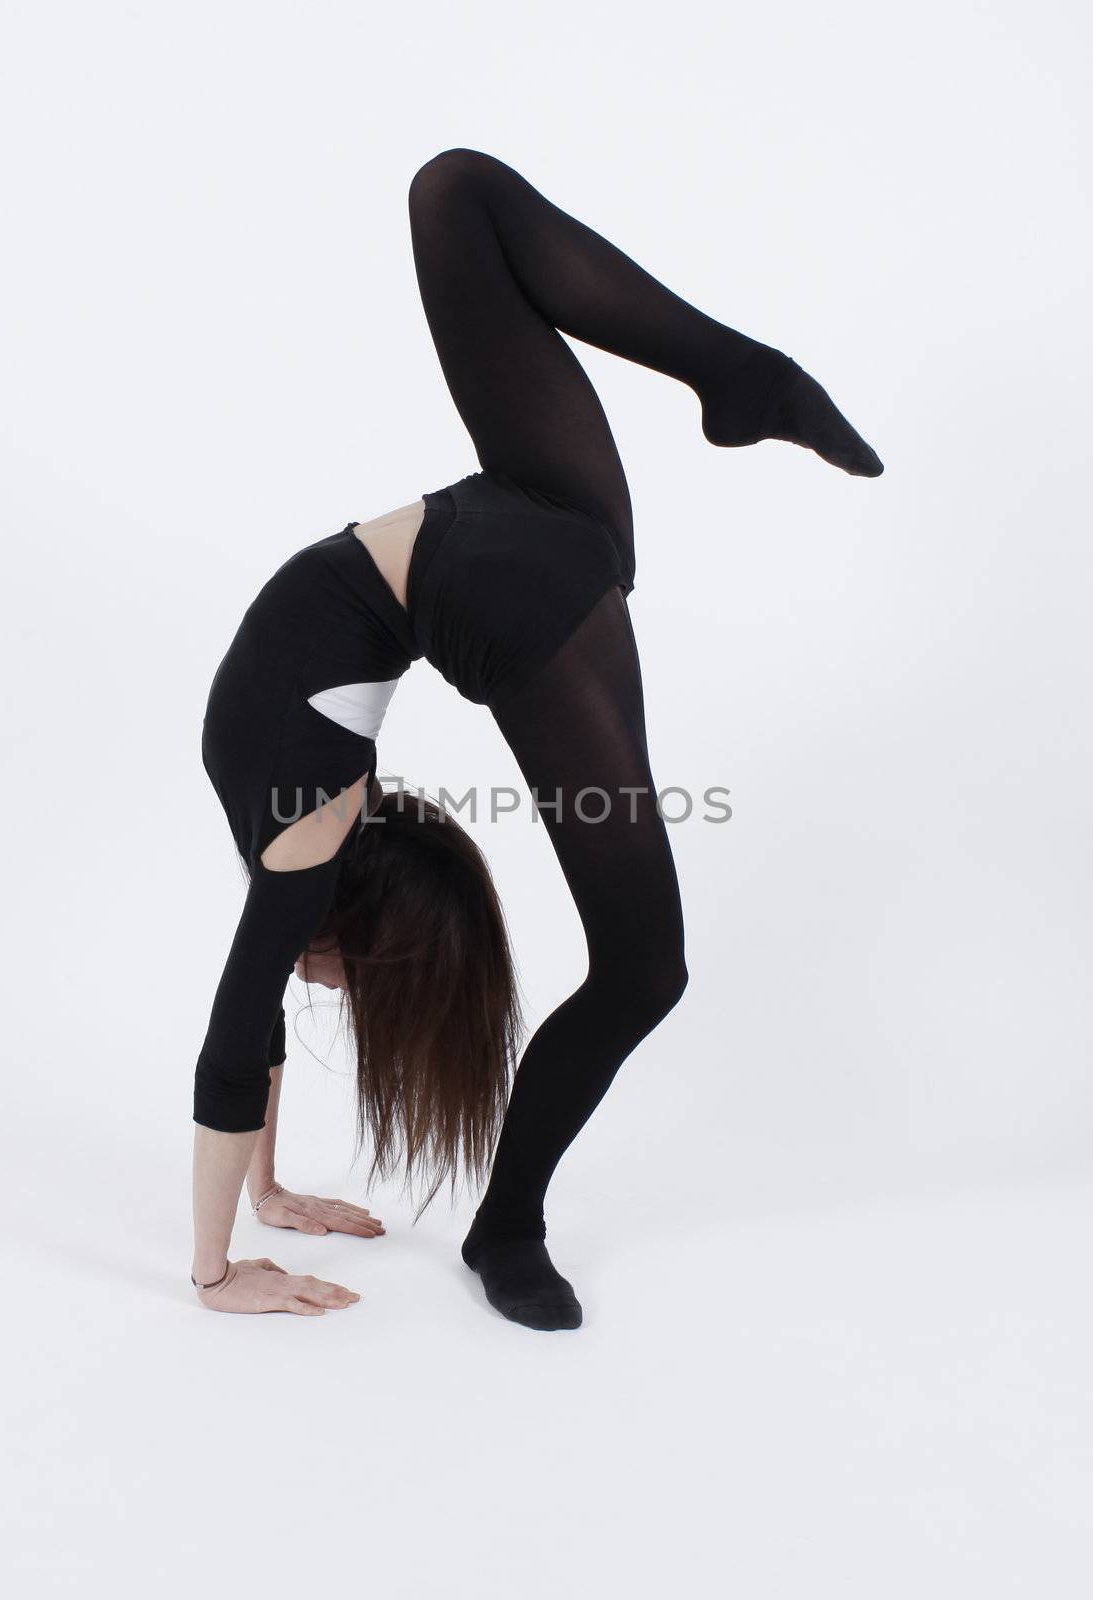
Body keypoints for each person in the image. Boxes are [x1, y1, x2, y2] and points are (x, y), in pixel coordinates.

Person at [189, 148, 882, 1330]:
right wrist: (271, 1187)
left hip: (514, 593)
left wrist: (213, 1269)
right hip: (529, 510)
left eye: (342, 981)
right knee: (453, 190)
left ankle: (505, 1222)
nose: (325, 992)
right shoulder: (288, 824)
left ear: (356, 923)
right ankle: (739, 377)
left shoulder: (305, 836)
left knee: (642, 968)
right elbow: (255, 1012)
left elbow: (227, 1046)